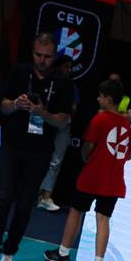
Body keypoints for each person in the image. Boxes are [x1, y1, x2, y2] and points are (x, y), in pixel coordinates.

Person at [0, 32, 74, 261]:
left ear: (55, 55)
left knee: (25, 205)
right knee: (3, 197)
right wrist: (16, 104)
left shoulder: (63, 82)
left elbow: (62, 121)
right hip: (12, 146)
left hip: (39, 153)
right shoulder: (20, 72)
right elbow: (3, 107)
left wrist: (42, 112)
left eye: (47, 56)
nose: (42, 60)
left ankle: (9, 251)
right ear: (32, 52)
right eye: (38, 55)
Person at [43, 79, 131, 261]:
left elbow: (88, 146)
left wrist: (88, 157)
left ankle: (63, 254)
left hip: (92, 177)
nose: (98, 99)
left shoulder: (100, 119)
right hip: (113, 181)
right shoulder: (126, 125)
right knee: (103, 218)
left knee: (76, 211)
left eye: (101, 96)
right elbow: (128, 154)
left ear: (109, 99)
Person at [36, 54, 78, 212]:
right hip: (45, 122)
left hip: (62, 125)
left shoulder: (72, 86)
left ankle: (45, 197)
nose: (69, 70)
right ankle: (32, 192)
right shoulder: (47, 81)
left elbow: (74, 107)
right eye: (66, 67)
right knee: (38, 157)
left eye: (70, 67)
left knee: (55, 161)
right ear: (58, 67)